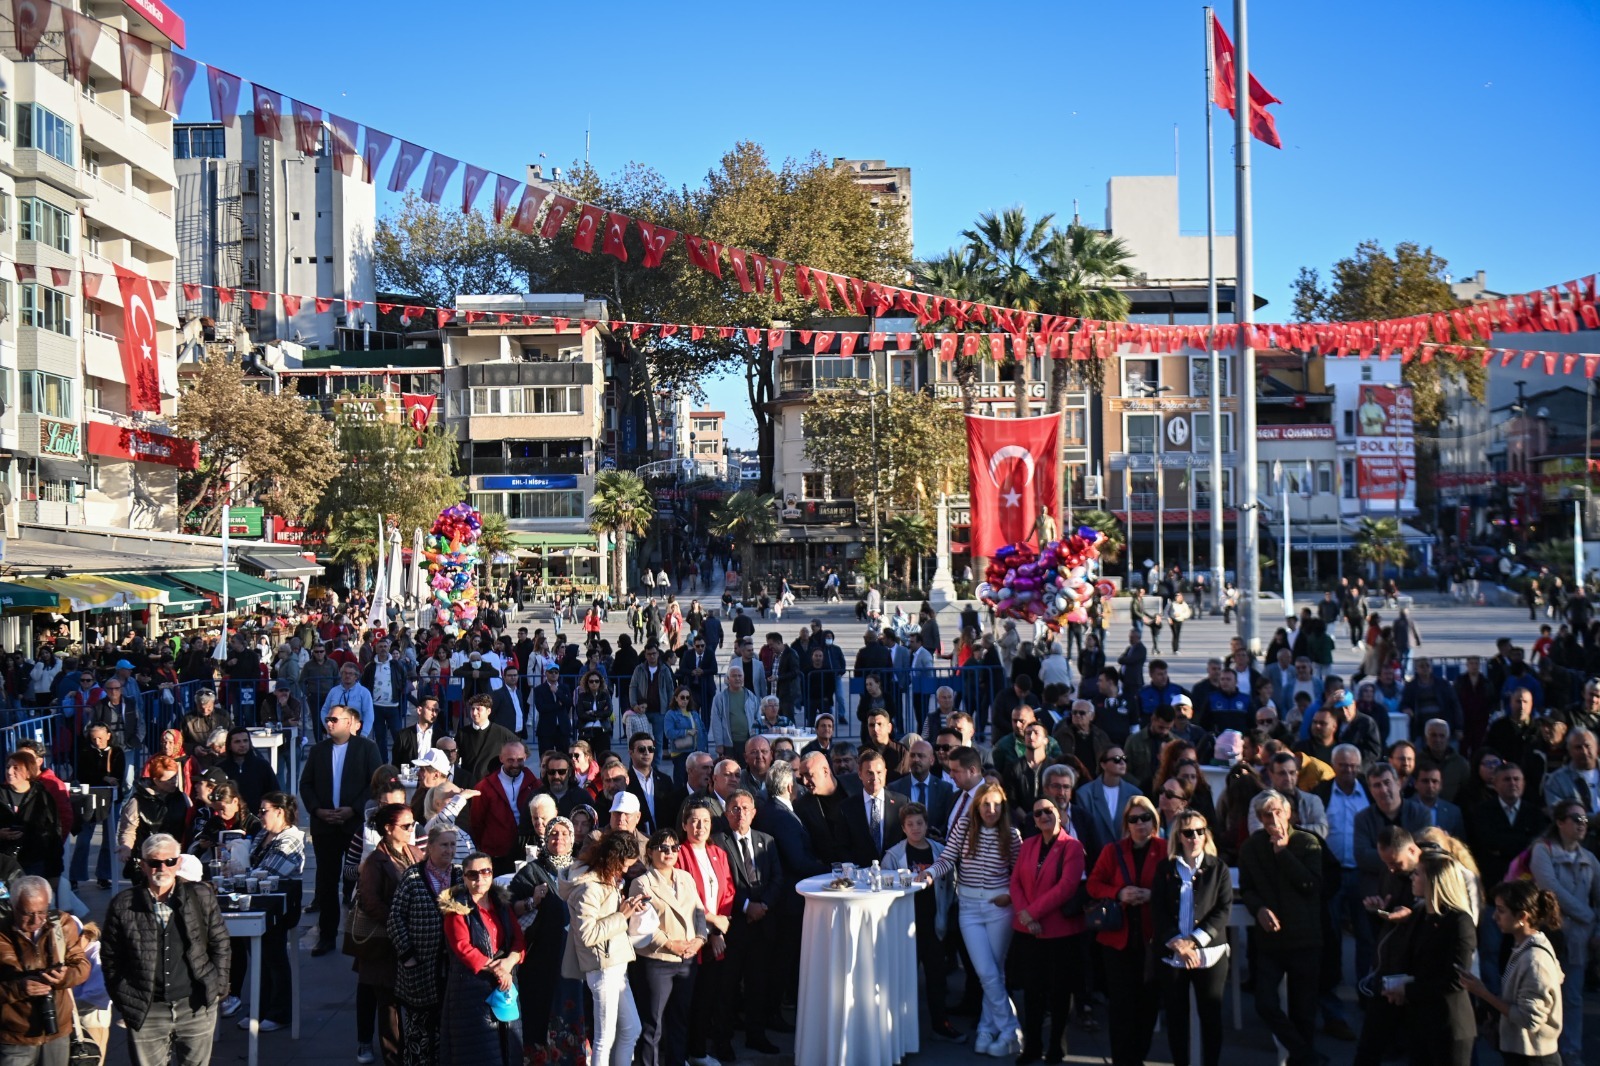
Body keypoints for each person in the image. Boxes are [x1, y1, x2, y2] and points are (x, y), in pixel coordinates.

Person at [101, 833, 231, 1066]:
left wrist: (218, 987)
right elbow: (111, 956)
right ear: (142, 865)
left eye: (169, 861)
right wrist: (124, 997)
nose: (162, 868)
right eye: (154, 862)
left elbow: (220, 943)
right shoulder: (123, 904)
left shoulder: (200, 895)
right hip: (146, 1009)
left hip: (195, 1006)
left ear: (178, 862)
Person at [919, 782, 1022, 1058]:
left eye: (996, 805)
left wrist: (1009, 894)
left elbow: (1020, 874)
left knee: (993, 972)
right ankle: (1009, 1029)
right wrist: (930, 873)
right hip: (968, 908)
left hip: (998, 907)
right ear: (977, 806)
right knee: (986, 971)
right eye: (986, 804)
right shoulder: (964, 829)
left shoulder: (1011, 835)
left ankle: (989, 1029)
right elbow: (946, 859)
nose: (991, 810)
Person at [1238, 790, 1324, 1066]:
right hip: (1270, 942)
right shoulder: (1251, 847)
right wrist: (1259, 909)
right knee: (1265, 1003)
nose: (1273, 818)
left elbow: (1311, 885)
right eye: (1267, 814)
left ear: (1289, 813)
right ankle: (1306, 1055)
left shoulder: (1308, 842)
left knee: (1304, 1011)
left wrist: (1283, 853)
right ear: (1260, 818)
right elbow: (1247, 889)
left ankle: (1303, 1058)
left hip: (1304, 938)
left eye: (1278, 811)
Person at [1086, 794, 1164, 1066]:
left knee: (1148, 1005)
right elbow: (1093, 885)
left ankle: (1138, 1057)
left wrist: (1152, 895)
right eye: (1134, 819)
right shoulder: (1113, 850)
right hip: (1117, 939)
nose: (1140, 824)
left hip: (1151, 940)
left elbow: (1175, 887)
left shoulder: (1165, 849)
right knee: (1121, 1007)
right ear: (1126, 823)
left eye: (1146, 818)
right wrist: (1120, 892)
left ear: (1154, 821)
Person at [1152, 808, 1232, 1066]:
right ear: (1179, 836)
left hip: (1208, 954)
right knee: (1177, 1018)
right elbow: (1158, 909)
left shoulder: (1218, 868)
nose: (1195, 837)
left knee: (1211, 1016)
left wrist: (1194, 942)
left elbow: (1223, 909)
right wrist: (1176, 941)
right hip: (1173, 954)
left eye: (1200, 831)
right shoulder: (1165, 868)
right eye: (1188, 832)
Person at [1009, 796, 1087, 1064]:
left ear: (1060, 814)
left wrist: (1033, 912)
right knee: (1032, 992)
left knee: (1059, 992)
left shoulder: (1073, 847)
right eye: (1038, 813)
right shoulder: (1028, 844)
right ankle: (1032, 1046)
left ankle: (1056, 1045)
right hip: (1029, 930)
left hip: (1060, 932)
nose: (1044, 816)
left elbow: (1066, 887)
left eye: (1049, 811)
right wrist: (1025, 914)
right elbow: (1015, 882)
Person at [300, 705, 383, 956]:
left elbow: (375, 783)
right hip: (325, 826)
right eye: (327, 719)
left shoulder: (367, 748)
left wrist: (353, 809)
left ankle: (362, 935)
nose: (329, 723)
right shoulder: (318, 751)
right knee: (326, 882)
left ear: (350, 723)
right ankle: (326, 936)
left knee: (360, 879)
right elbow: (306, 785)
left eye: (335, 719)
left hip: (354, 825)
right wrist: (317, 810)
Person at [559, 832, 645, 1066]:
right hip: (603, 968)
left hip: (616, 964)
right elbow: (587, 934)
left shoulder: (605, 880)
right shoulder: (588, 887)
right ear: (613, 860)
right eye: (625, 865)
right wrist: (621, 915)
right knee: (603, 1040)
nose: (627, 871)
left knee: (632, 1029)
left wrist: (624, 909)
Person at [1457, 880, 1564, 1066]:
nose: (1494, 917)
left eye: (1501, 910)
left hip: (1534, 1058)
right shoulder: (1524, 947)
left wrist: (1484, 993)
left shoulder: (1534, 959)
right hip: (1521, 1054)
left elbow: (1529, 1019)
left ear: (1522, 916)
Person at [1386, 850, 1476, 1066]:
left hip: (1448, 1026)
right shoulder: (1420, 915)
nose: (1412, 878)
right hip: (1419, 1022)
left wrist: (1407, 990)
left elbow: (1456, 979)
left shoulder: (1459, 922)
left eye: (1417, 874)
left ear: (1434, 881)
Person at [1528, 796, 1599, 1063]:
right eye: (1576, 819)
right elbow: (1550, 888)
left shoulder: (1589, 858)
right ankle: (1543, 1053)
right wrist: (1588, 915)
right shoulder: (1542, 850)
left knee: (1573, 998)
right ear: (1560, 822)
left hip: (1579, 940)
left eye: (1585, 819)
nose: (1583, 824)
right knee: (1542, 997)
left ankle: (1571, 1052)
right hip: (1550, 937)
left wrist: (1597, 928)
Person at [628, 827, 706, 1066]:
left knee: (680, 1019)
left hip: (687, 959)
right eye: (663, 848)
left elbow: (699, 912)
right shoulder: (642, 883)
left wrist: (700, 939)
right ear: (650, 852)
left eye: (674, 848)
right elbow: (642, 926)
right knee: (653, 1024)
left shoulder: (685, 877)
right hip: (657, 961)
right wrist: (670, 944)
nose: (669, 852)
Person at [883, 802, 960, 1042]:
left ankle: (941, 1024)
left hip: (933, 925)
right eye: (910, 824)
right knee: (904, 981)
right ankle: (900, 1034)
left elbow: (951, 886)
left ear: (927, 825)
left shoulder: (940, 851)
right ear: (903, 828)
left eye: (920, 823)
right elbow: (884, 891)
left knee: (937, 980)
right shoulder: (893, 856)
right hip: (906, 928)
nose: (915, 828)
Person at [438, 851, 523, 1066]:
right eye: (473, 874)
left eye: (485, 872)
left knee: (508, 1049)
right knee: (478, 1053)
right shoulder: (457, 910)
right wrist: (499, 970)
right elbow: (463, 949)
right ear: (464, 877)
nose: (480, 879)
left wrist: (508, 963)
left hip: (503, 986)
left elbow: (518, 941)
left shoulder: (501, 905)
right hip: (471, 991)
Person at [349, 803, 418, 1066]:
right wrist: (400, 922)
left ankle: (410, 1051)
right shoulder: (375, 861)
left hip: (408, 939)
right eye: (406, 826)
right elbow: (370, 902)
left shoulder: (412, 851)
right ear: (388, 829)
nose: (412, 830)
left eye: (413, 824)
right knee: (387, 1004)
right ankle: (393, 1058)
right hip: (383, 943)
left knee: (406, 1000)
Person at [390, 824, 462, 1066]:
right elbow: (395, 918)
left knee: (447, 1027)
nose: (449, 850)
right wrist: (408, 955)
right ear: (429, 847)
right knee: (419, 1029)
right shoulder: (412, 877)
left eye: (452, 845)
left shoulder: (461, 877)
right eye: (443, 844)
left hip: (451, 968)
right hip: (419, 967)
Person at [0, 875, 89, 1066]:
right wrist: (19, 988)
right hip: (15, 1035)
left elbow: (81, 966)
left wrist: (65, 977)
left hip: (57, 1029)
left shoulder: (62, 924)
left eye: (42, 912)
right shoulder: (2, 933)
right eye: (27, 913)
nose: (36, 920)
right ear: (13, 906)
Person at [676, 801, 735, 1064]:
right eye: (695, 821)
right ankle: (683, 1053)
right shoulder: (679, 854)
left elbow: (728, 891)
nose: (700, 827)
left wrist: (720, 926)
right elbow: (685, 897)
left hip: (716, 936)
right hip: (691, 935)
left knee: (708, 998)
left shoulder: (717, 852)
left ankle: (699, 1051)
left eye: (706, 822)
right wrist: (711, 926)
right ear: (685, 825)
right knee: (688, 999)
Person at [114, 756, 188, 885]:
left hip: (174, 858)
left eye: (175, 777)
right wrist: (126, 847)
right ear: (156, 780)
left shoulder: (181, 797)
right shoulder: (137, 801)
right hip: (149, 860)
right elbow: (128, 830)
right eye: (168, 779)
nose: (174, 782)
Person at [0, 753, 60, 881]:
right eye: (8, 767)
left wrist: (55, 873)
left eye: (16, 768)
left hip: (34, 862)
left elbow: (54, 834)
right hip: (3, 864)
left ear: (28, 772)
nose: (10, 772)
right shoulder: (1, 794)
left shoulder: (42, 797)